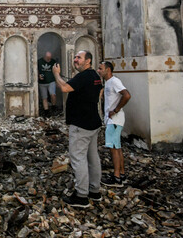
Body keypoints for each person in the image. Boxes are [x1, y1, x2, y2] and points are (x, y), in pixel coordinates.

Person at [52, 50, 103, 208]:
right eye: (75, 57)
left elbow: (65, 88)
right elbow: (99, 93)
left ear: (88, 61)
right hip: (93, 122)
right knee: (92, 158)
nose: (75, 60)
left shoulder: (83, 76)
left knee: (78, 158)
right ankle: (94, 191)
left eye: (79, 58)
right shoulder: (95, 76)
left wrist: (56, 74)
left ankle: (81, 196)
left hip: (81, 125)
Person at [97, 60, 131, 187]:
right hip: (112, 120)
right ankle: (121, 174)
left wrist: (115, 110)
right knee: (117, 147)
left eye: (101, 68)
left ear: (108, 70)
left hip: (115, 120)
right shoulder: (108, 83)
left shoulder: (115, 81)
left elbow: (127, 95)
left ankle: (116, 178)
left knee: (113, 149)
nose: (99, 71)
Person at [38, 51, 57, 116]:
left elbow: (56, 71)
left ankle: (54, 106)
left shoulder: (53, 62)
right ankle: (46, 111)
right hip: (42, 83)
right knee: (44, 97)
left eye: (50, 57)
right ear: (44, 56)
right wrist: (38, 76)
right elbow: (36, 69)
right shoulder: (39, 61)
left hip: (51, 81)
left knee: (53, 94)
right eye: (47, 58)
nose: (49, 59)